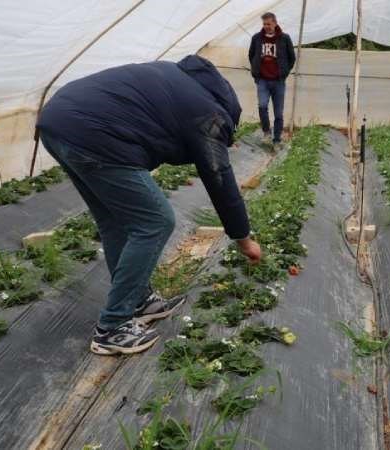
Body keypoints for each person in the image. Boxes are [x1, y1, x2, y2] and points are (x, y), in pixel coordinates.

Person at [36, 55, 262, 356]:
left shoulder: (178, 80)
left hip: (58, 123)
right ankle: (112, 327)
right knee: (156, 221)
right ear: (227, 115)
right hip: (93, 134)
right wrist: (243, 239)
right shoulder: (208, 115)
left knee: (116, 221)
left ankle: (139, 301)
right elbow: (220, 179)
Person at [248, 12, 296, 149]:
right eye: (264, 24)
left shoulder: (284, 38)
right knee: (262, 106)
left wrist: (284, 72)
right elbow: (251, 55)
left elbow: (292, 58)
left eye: (268, 24)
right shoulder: (257, 38)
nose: (266, 26)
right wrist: (256, 72)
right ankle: (266, 133)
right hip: (262, 80)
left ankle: (276, 140)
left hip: (278, 81)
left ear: (275, 23)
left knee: (278, 113)